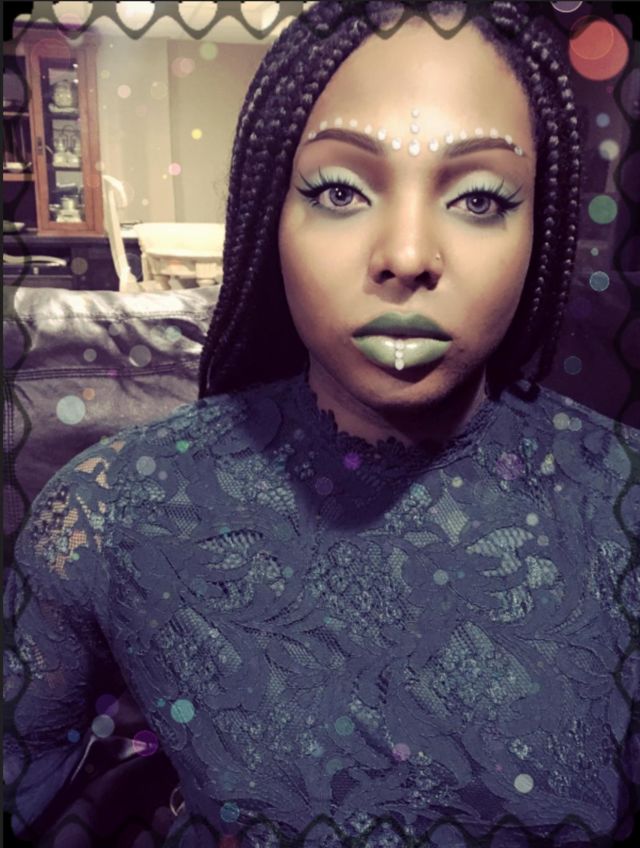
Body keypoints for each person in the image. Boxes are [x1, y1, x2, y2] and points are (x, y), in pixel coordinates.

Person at [4, 1, 639, 846]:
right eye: (341, 190)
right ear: (270, 214)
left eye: (481, 198)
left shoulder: (623, 510)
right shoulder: (107, 518)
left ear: (542, 231)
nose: (407, 255)